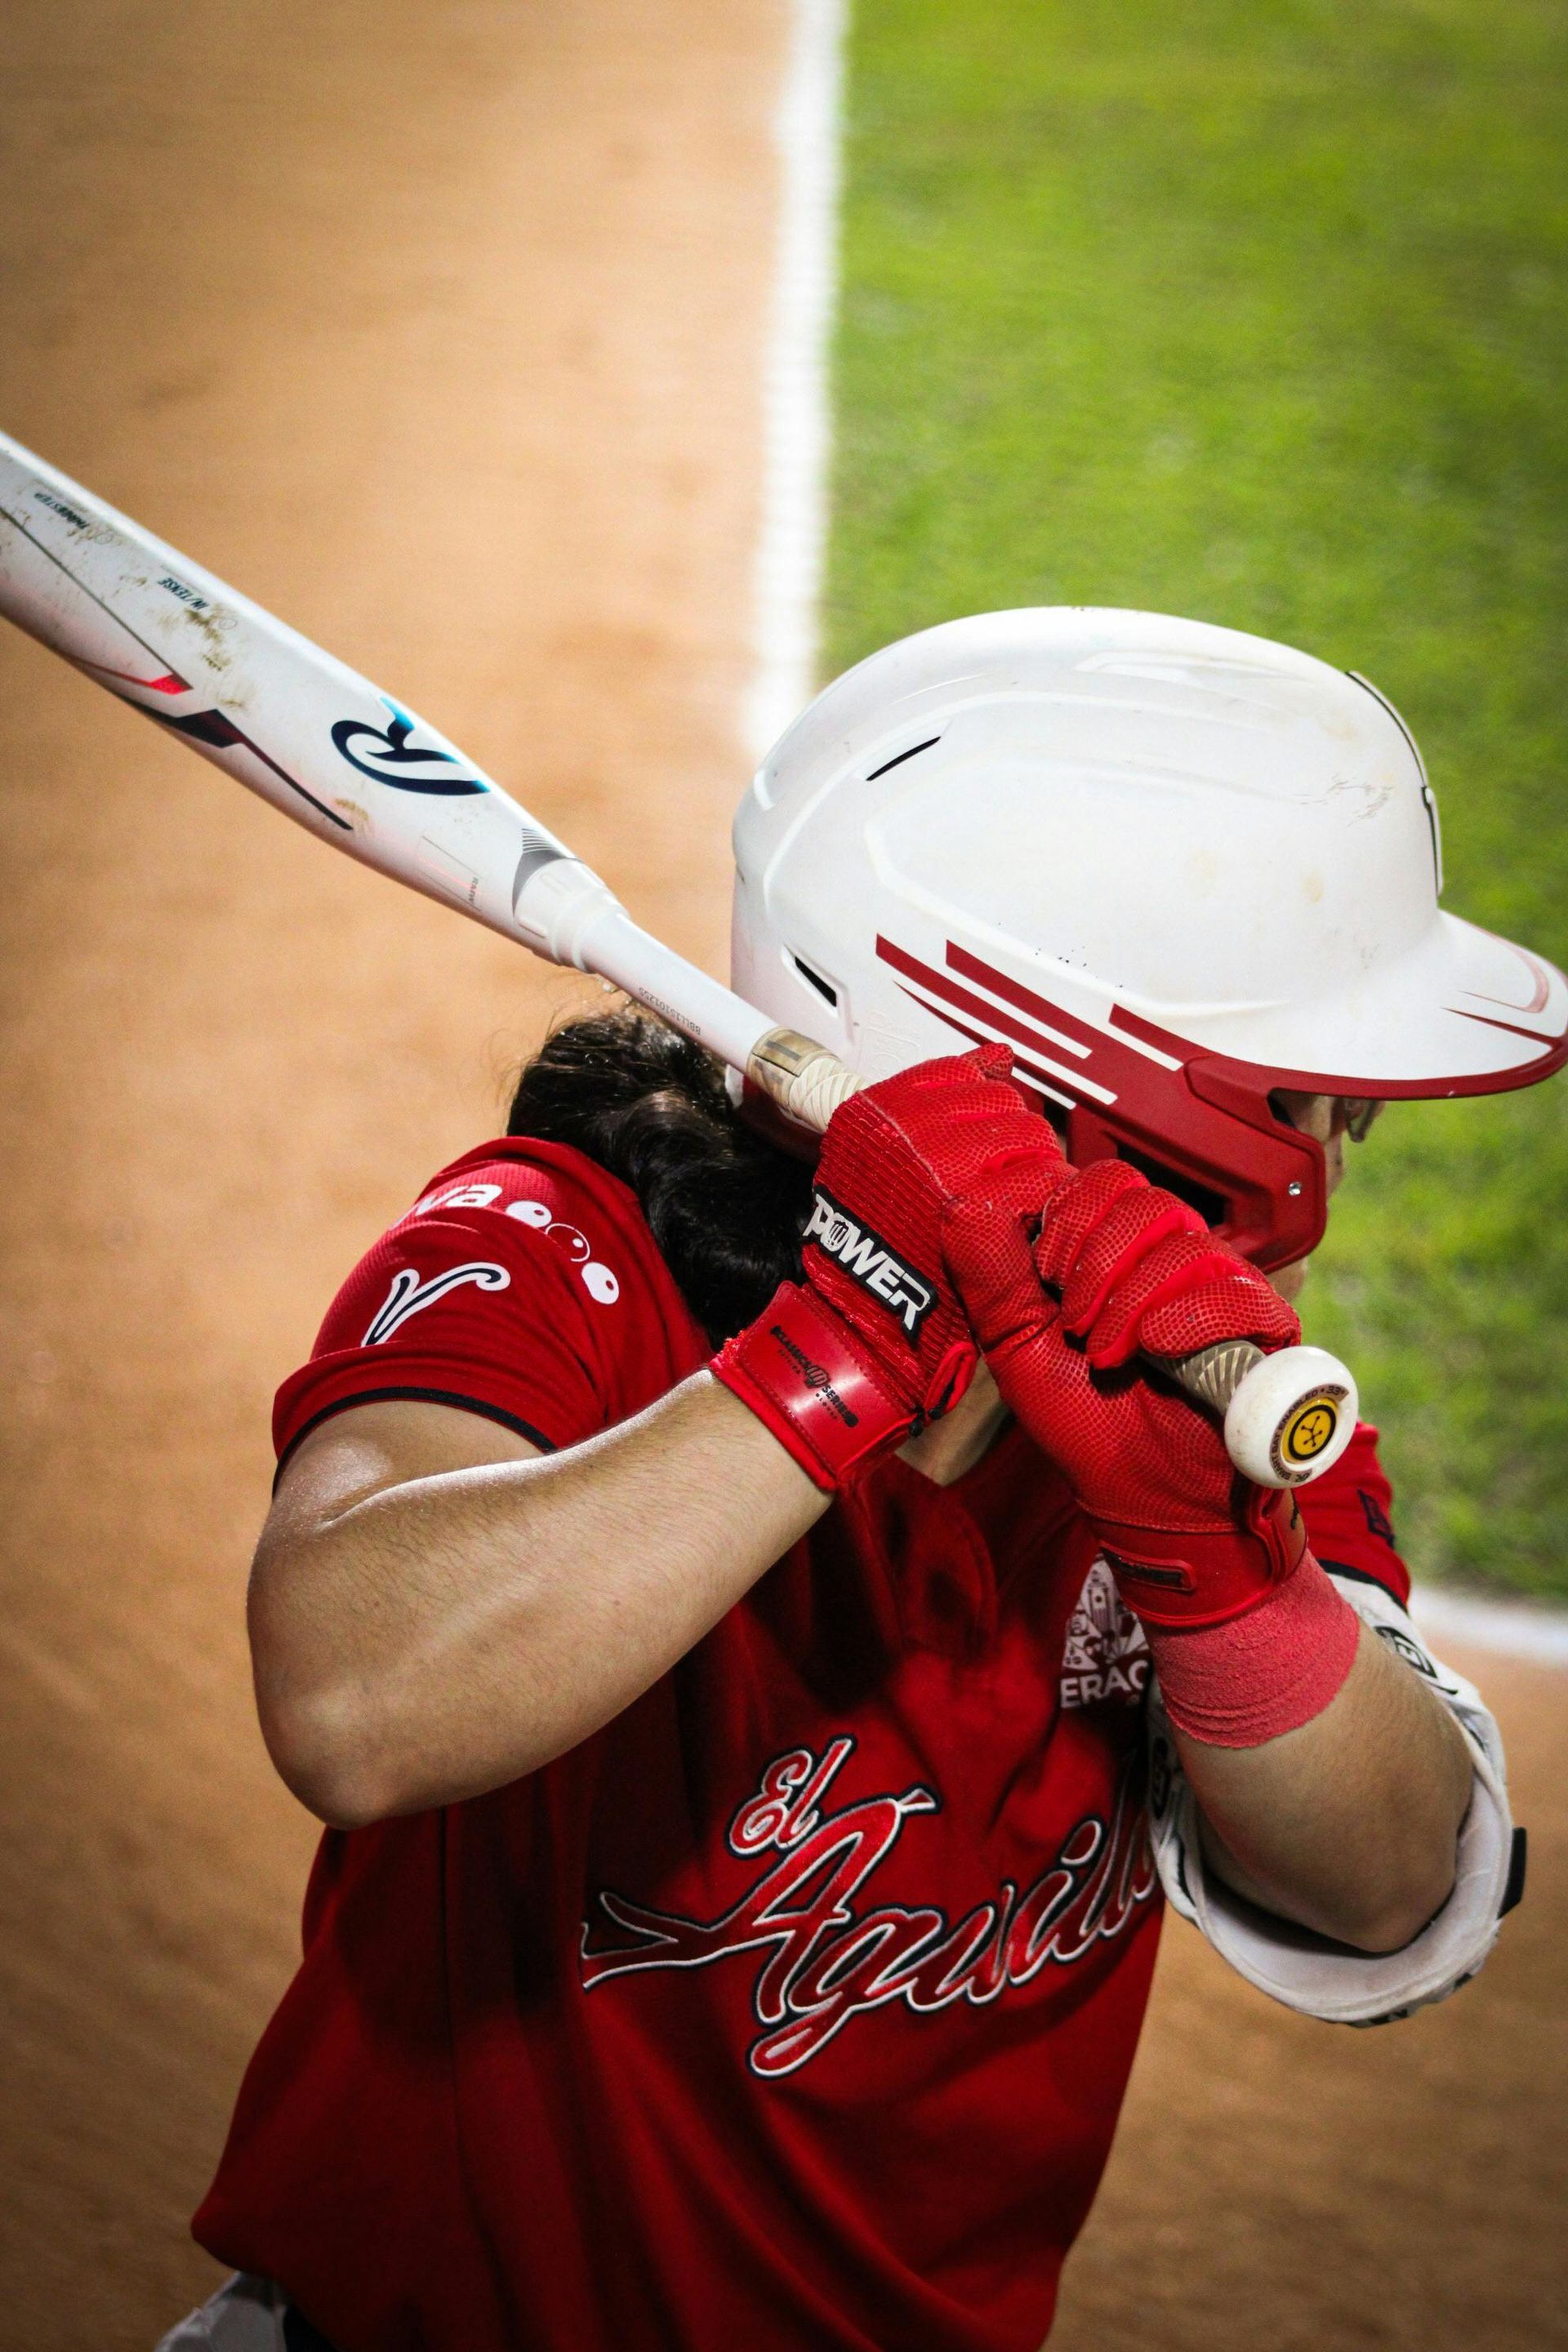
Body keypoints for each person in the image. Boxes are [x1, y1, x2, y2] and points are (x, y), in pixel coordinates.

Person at [162, 611, 1561, 2352]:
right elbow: (353, 1699)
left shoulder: (1198, 1426)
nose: (1336, 1142)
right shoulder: (564, 1251)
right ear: (1093, 1077)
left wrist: (1218, 1576)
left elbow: (1392, 1886)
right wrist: (849, 1351)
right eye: (1300, 1088)